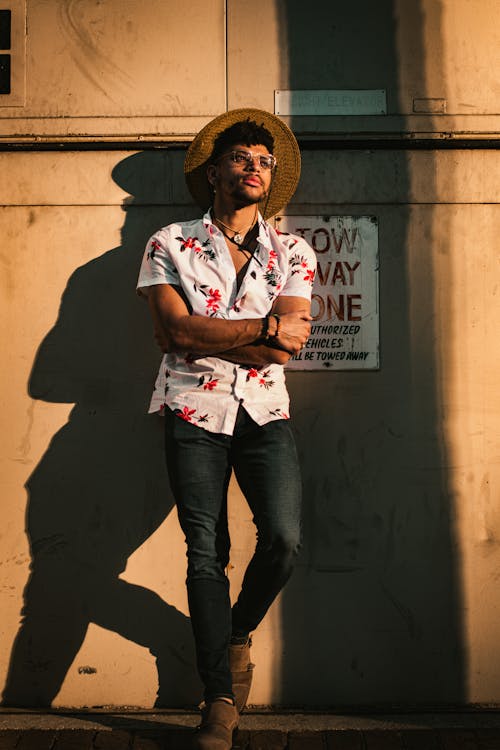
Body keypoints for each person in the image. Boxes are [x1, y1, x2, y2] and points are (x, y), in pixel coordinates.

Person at [137, 108, 316, 749]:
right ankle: (218, 698)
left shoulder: (292, 250)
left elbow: (282, 348)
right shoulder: (168, 242)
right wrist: (263, 328)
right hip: (191, 411)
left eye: (264, 161)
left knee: (285, 540)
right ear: (214, 171)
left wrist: (243, 337)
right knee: (205, 555)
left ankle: (236, 632)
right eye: (242, 158)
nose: (255, 168)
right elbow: (172, 333)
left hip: (263, 412)